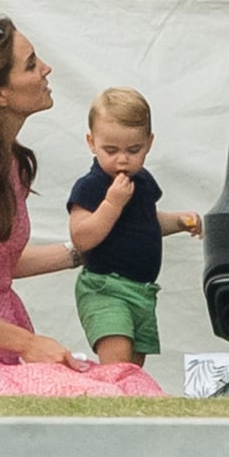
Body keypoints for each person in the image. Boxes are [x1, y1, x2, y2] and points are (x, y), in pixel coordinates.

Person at [0, 17, 165, 396]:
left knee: (133, 382)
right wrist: (26, 343)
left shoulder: (8, 165)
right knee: (105, 395)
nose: (46, 68)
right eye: (30, 64)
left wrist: (87, 250)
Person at [67, 86, 202, 366]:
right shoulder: (91, 186)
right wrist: (112, 204)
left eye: (133, 150)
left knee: (133, 367)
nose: (122, 159)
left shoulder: (142, 182)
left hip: (142, 291)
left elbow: (146, 223)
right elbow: (81, 237)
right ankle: (110, 401)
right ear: (92, 142)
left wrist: (178, 221)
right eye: (111, 150)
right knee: (116, 361)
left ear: (149, 143)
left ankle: (127, 402)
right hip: (105, 287)